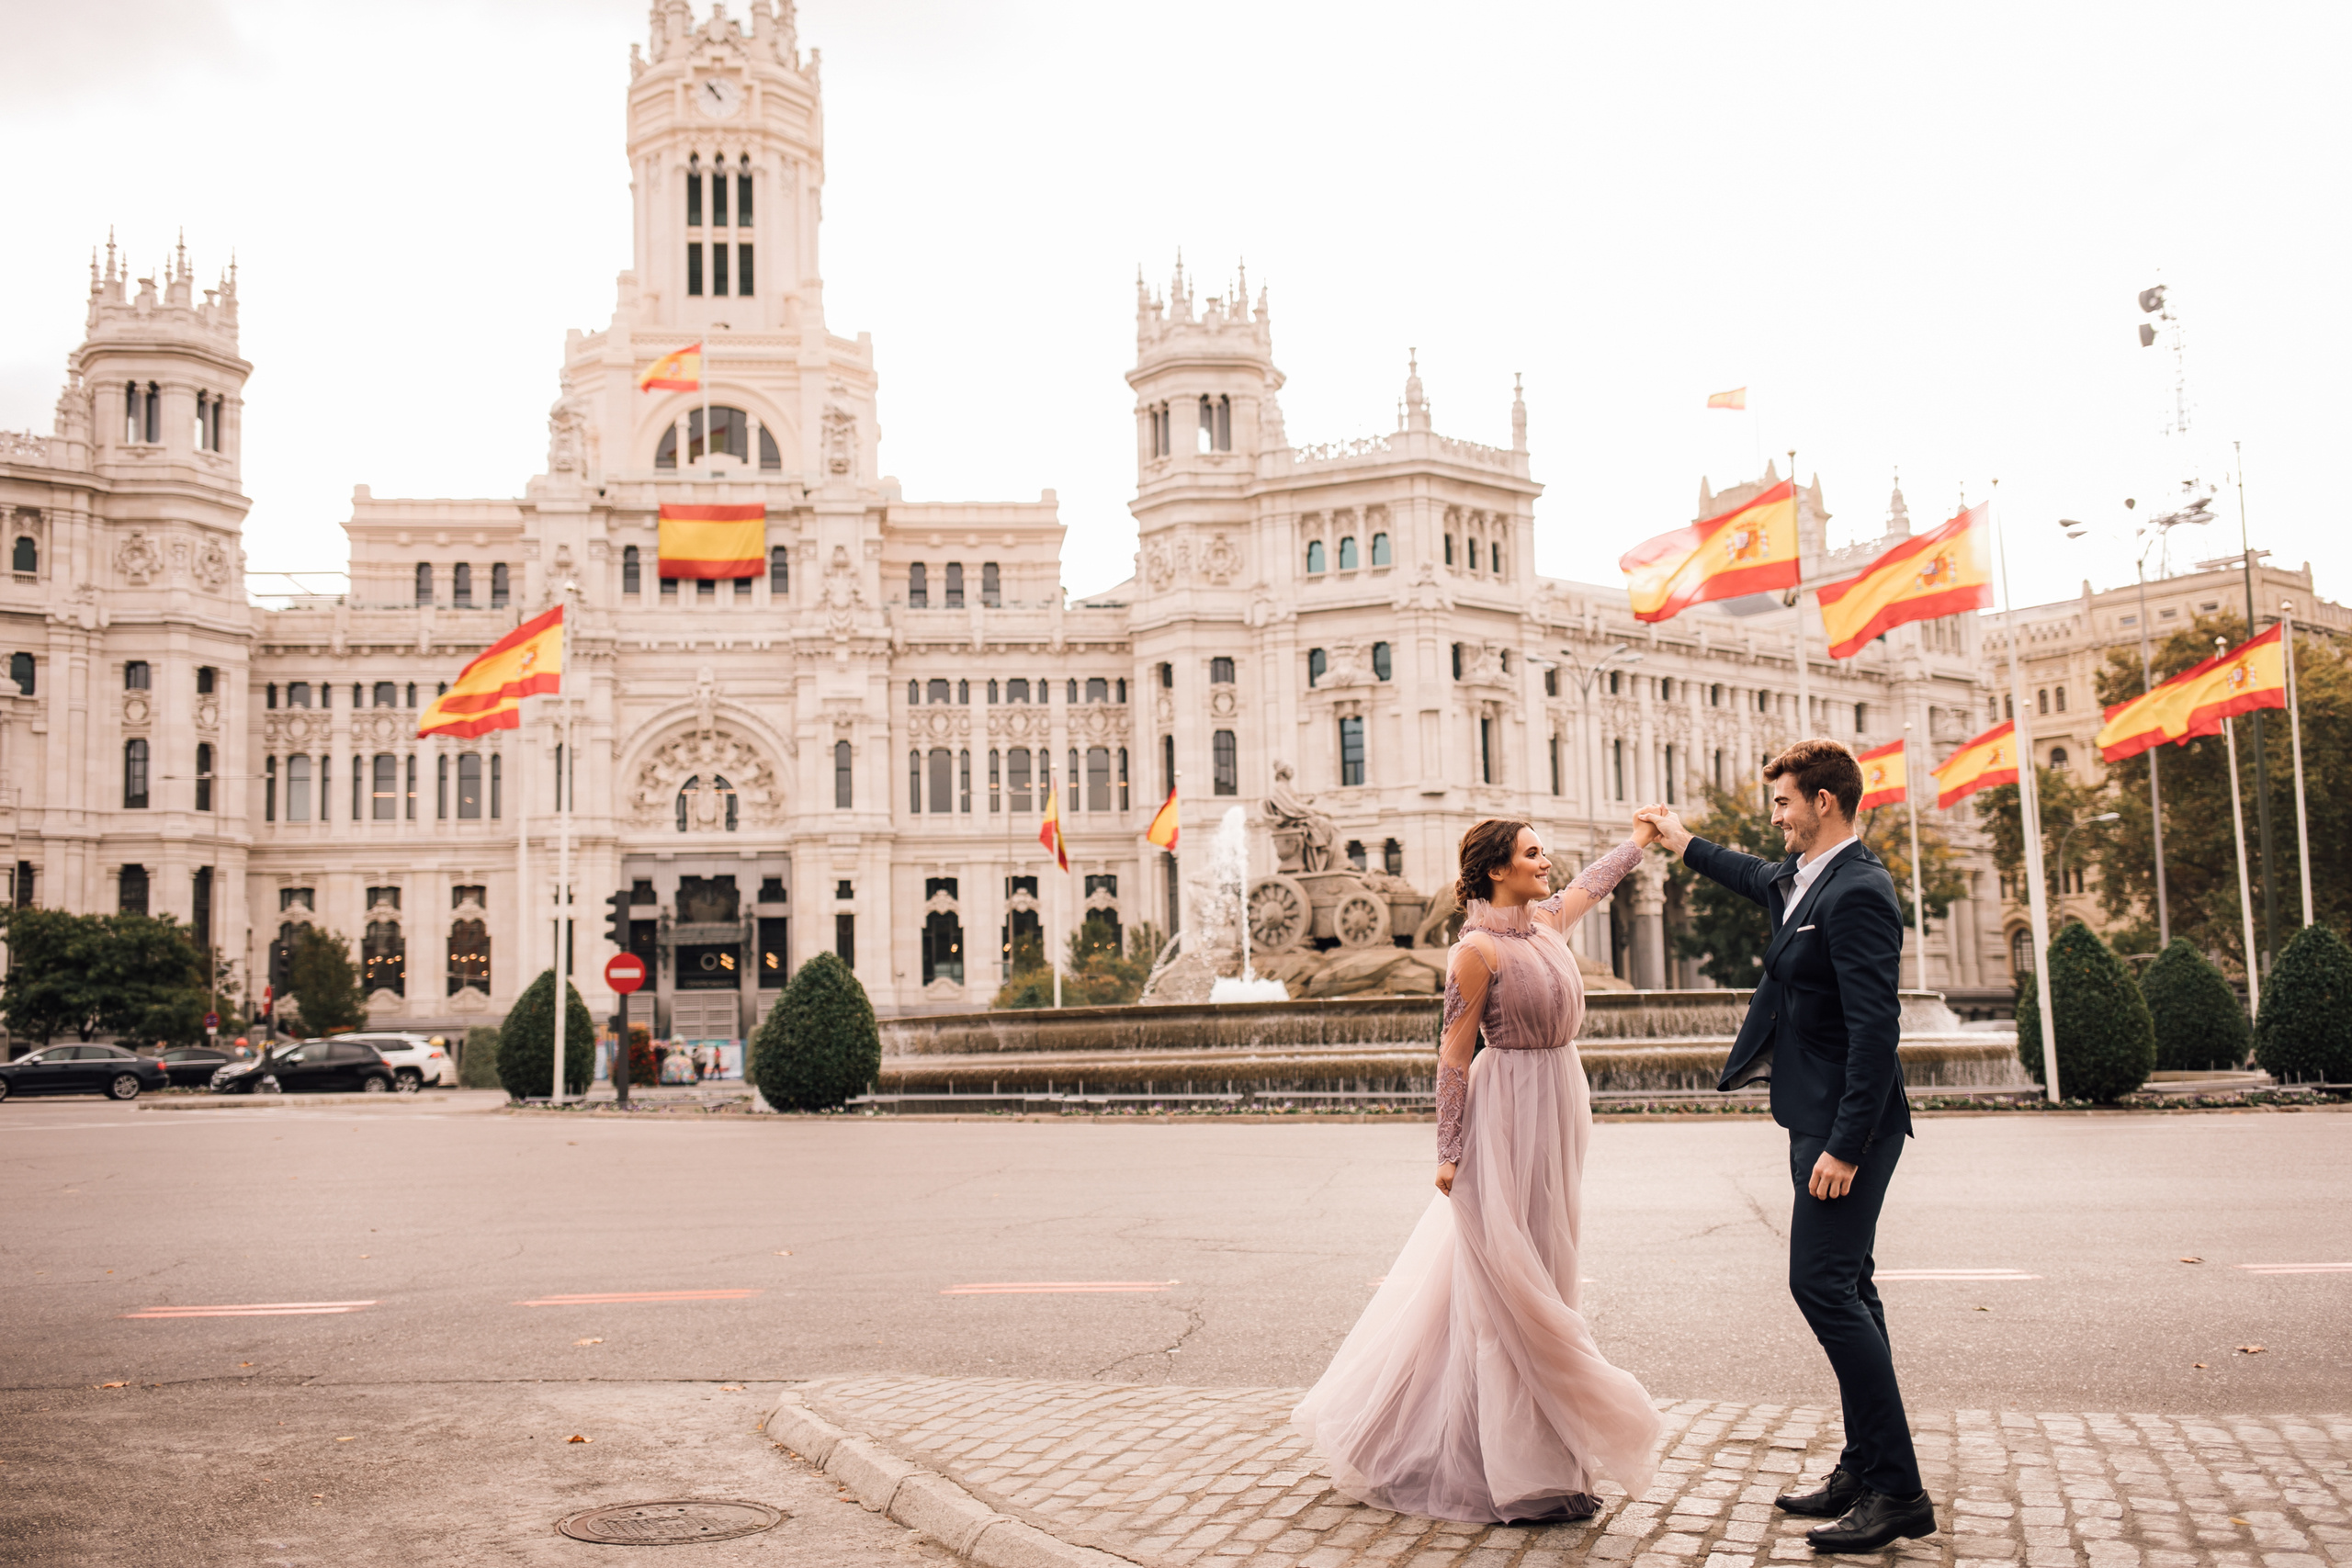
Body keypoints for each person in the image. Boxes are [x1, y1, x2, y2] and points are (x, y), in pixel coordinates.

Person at [1292, 817, 1665, 1524]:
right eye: (1531, 852)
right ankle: (1513, 1466)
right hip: (1506, 1115)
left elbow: (1596, 882)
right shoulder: (1476, 951)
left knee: (1549, 1269)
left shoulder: (1548, 923)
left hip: (1559, 1106)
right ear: (1498, 868)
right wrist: (1449, 1150)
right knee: (1508, 1286)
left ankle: (1548, 1450)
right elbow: (1453, 1057)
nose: (1545, 859)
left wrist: (1640, 841)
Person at [1636, 739, 1935, 1554]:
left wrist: (1844, 1144)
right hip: (1815, 1116)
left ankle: (1899, 1490)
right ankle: (1865, 1464)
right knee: (1852, 1289)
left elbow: (1878, 1030)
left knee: (1822, 1286)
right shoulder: (1805, 878)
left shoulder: (1860, 890)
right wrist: (1676, 837)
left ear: (1824, 803)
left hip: (1852, 1126)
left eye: (1783, 802)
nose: (1775, 816)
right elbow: (1746, 872)